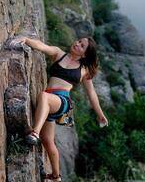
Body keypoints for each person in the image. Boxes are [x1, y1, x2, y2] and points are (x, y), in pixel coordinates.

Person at [9, 36, 108, 181]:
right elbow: (41, 46)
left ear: (85, 54)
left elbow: (91, 94)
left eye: (82, 46)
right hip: (48, 104)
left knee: (43, 96)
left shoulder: (84, 70)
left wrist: (100, 114)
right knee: (48, 141)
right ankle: (56, 176)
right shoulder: (58, 53)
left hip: (62, 101)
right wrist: (26, 39)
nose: (77, 44)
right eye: (79, 41)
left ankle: (34, 132)